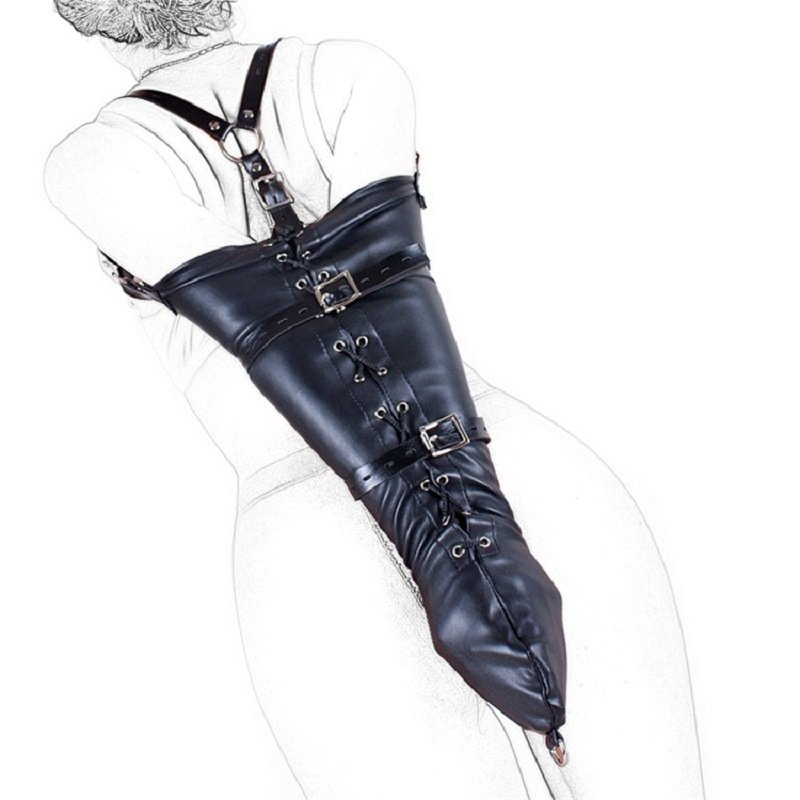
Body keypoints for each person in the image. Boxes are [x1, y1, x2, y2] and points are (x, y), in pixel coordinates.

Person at [44, 2, 706, 798]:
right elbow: (385, 281)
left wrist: (457, 552)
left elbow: (277, 326)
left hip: (309, 530)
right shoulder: (351, 71)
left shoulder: (95, 162)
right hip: (515, 461)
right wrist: (478, 537)